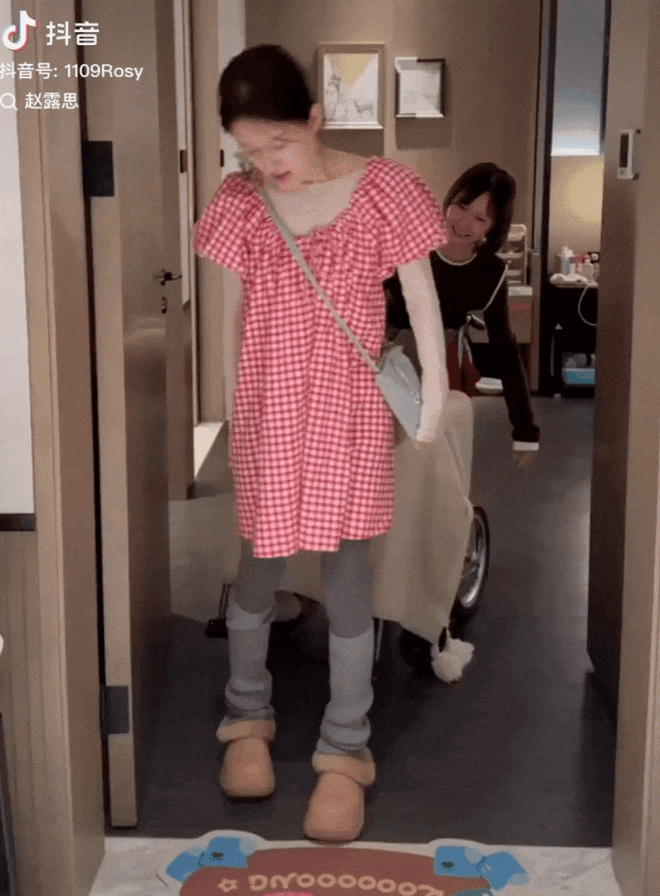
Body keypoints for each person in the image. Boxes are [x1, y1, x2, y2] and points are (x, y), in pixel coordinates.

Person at [194, 45, 449, 842]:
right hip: (270, 413)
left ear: (314, 118)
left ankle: (345, 747)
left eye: (280, 143)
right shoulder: (240, 203)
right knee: (258, 565)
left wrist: (433, 403)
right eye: (249, 151)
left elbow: (423, 300)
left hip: (348, 416)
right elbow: (233, 316)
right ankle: (246, 716)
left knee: (346, 575)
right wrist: (233, 410)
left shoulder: (385, 190)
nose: (269, 165)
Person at [385, 163, 540, 460]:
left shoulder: (490, 271)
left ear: (493, 227)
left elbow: (505, 349)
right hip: (387, 362)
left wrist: (525, 432)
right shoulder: (409, 245)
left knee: (435, 461)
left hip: (443, 369)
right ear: (451, 199)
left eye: (480, 218)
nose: (463, 222)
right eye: (462, 206)